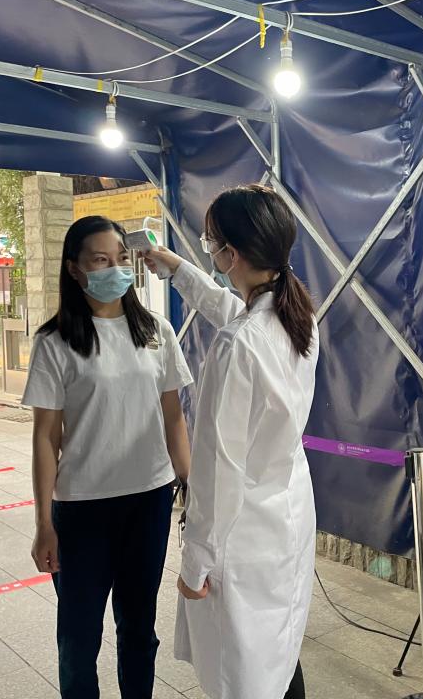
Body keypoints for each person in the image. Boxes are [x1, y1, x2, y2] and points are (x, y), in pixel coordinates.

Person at [144, 184, 319, 699]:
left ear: (232, 254)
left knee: (242, 671)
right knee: (277, 651)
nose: (209, 251)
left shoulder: (236, 344)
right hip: (285, 515)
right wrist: (178, 268)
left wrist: (196, 561)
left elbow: (218, 469)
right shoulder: (297, 317)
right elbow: (232, 310)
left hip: (240, 534)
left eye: (210, 243)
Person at [24, 215, 193, 699]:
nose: (115, 269)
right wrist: (43, 523)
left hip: (149, 501)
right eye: (100, 260)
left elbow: (174, 418)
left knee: (139, 629)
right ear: (74, 269)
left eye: (121, 258)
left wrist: (191, 485)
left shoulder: (156, 330)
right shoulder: (55, 341)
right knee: (79, 638)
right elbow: (45, 437)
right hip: (81, 509)